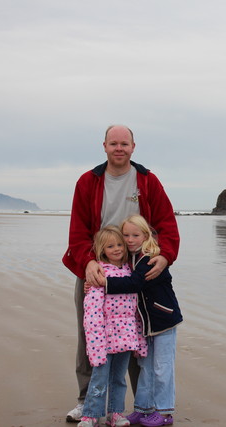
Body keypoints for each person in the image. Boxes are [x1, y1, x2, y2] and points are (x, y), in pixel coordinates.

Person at [63, 125, 180, 423]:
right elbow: (77, 232)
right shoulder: (88, 182)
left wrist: (165, 256)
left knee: (136, 333)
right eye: (113, 143)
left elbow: (167, 222)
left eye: (124, 144)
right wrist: (88, 262)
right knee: (90, 334)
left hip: (137, 270)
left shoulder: (147, 180)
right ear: (104, 146)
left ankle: (142, 405)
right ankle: (85, 400)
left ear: (133, 147)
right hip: (96, 267)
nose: (119, 148)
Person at [89, 215, 182, 427]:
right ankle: (143, 408)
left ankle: (165, 412)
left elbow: (134, 283)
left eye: (135, 235)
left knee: (162, 367)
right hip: (145, 324)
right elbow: (123, 276)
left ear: (146, 235)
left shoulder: (150, 258)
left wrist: (103, 283)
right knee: (146, 367)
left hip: (163, 320)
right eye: (126, 235)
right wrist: (92, 283)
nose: (130, 240)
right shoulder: (130, 259)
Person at [78, 226, 147, 427]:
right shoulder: (98, 273)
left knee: (119, 379)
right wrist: (95, 343)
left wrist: (139, 340)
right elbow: (91, 312)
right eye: (110, 246)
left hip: (126, 337)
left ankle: (115, 413)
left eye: (119, 244)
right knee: (99, 378)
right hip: (104, 338)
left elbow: (136, 311)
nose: (116, 249)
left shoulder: (130, 272)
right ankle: (91, 414)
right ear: (102, 249)